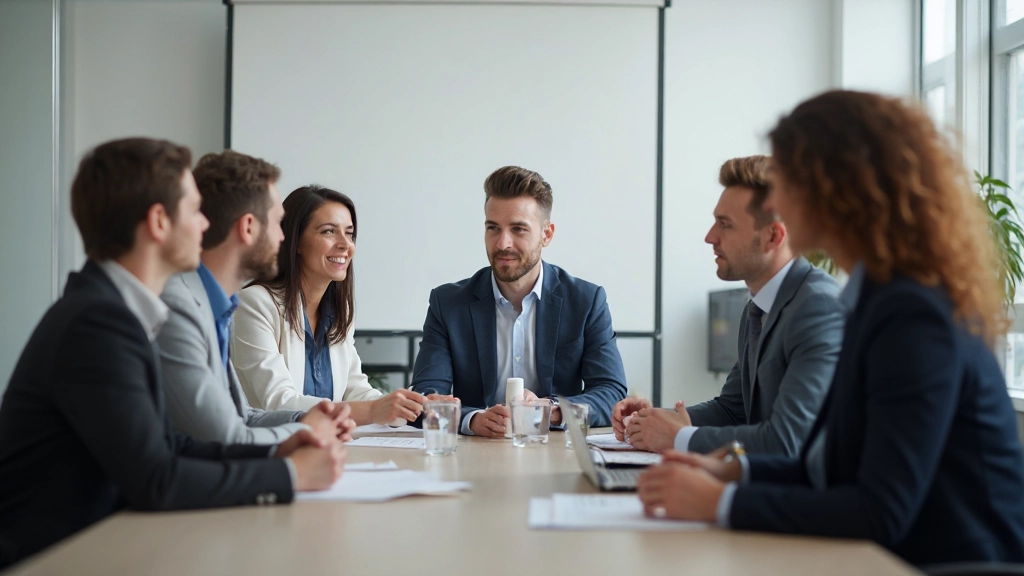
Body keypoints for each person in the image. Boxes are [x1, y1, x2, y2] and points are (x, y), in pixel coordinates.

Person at [636, 90, 1024, 566]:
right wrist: (734, 476)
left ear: (836, 188)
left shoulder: (910, 314)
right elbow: (833, 467)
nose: (775, 199)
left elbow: (880, 510)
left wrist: (720, 502)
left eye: (787, 180)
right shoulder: (875, 297)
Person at [0, 138, 346, 569]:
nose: (205, 226)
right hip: (58, 556)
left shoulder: (114, 311)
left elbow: (169, 445)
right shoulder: (98, 322)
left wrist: (277, 451)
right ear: (160, 222)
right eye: (194, 211)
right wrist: (291, 475)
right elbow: (157, 478)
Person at [613, 156, 844, 456]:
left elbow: (788, 440)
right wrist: (656, 420)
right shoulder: (758, 306)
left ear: (773, 236)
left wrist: (678, 437)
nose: (710, 237)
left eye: (726, 225)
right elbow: (733, 409)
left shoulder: (818, 306)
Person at [410, 166, 628, 437]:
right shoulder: (448, 303)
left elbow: (611, 392)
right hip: (475, 455)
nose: (503, 243)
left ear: (546, 235)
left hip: (557, 454)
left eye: (518, 229)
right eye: (493, 228)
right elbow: (425, 396)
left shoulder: (585, 301)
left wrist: (551, 411)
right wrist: (474, 419)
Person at [158, 151, 354, 444]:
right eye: (278, 223)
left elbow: (242, 416)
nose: (283, 237)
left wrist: (308, 421)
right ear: (249, 227)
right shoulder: (182, 307)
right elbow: (225, 435)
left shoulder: (216, 306)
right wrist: (304, 442)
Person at [232, 185, 429, 425]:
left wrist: (414, 407)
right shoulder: (255, 304)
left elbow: (357, 391)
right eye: (329, 232)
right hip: (274, 451)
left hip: (328, 448)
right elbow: (277, 402)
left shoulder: (338, 311)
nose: (345, 244)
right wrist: (371, 411)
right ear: (295, 242)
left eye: (349, 233)